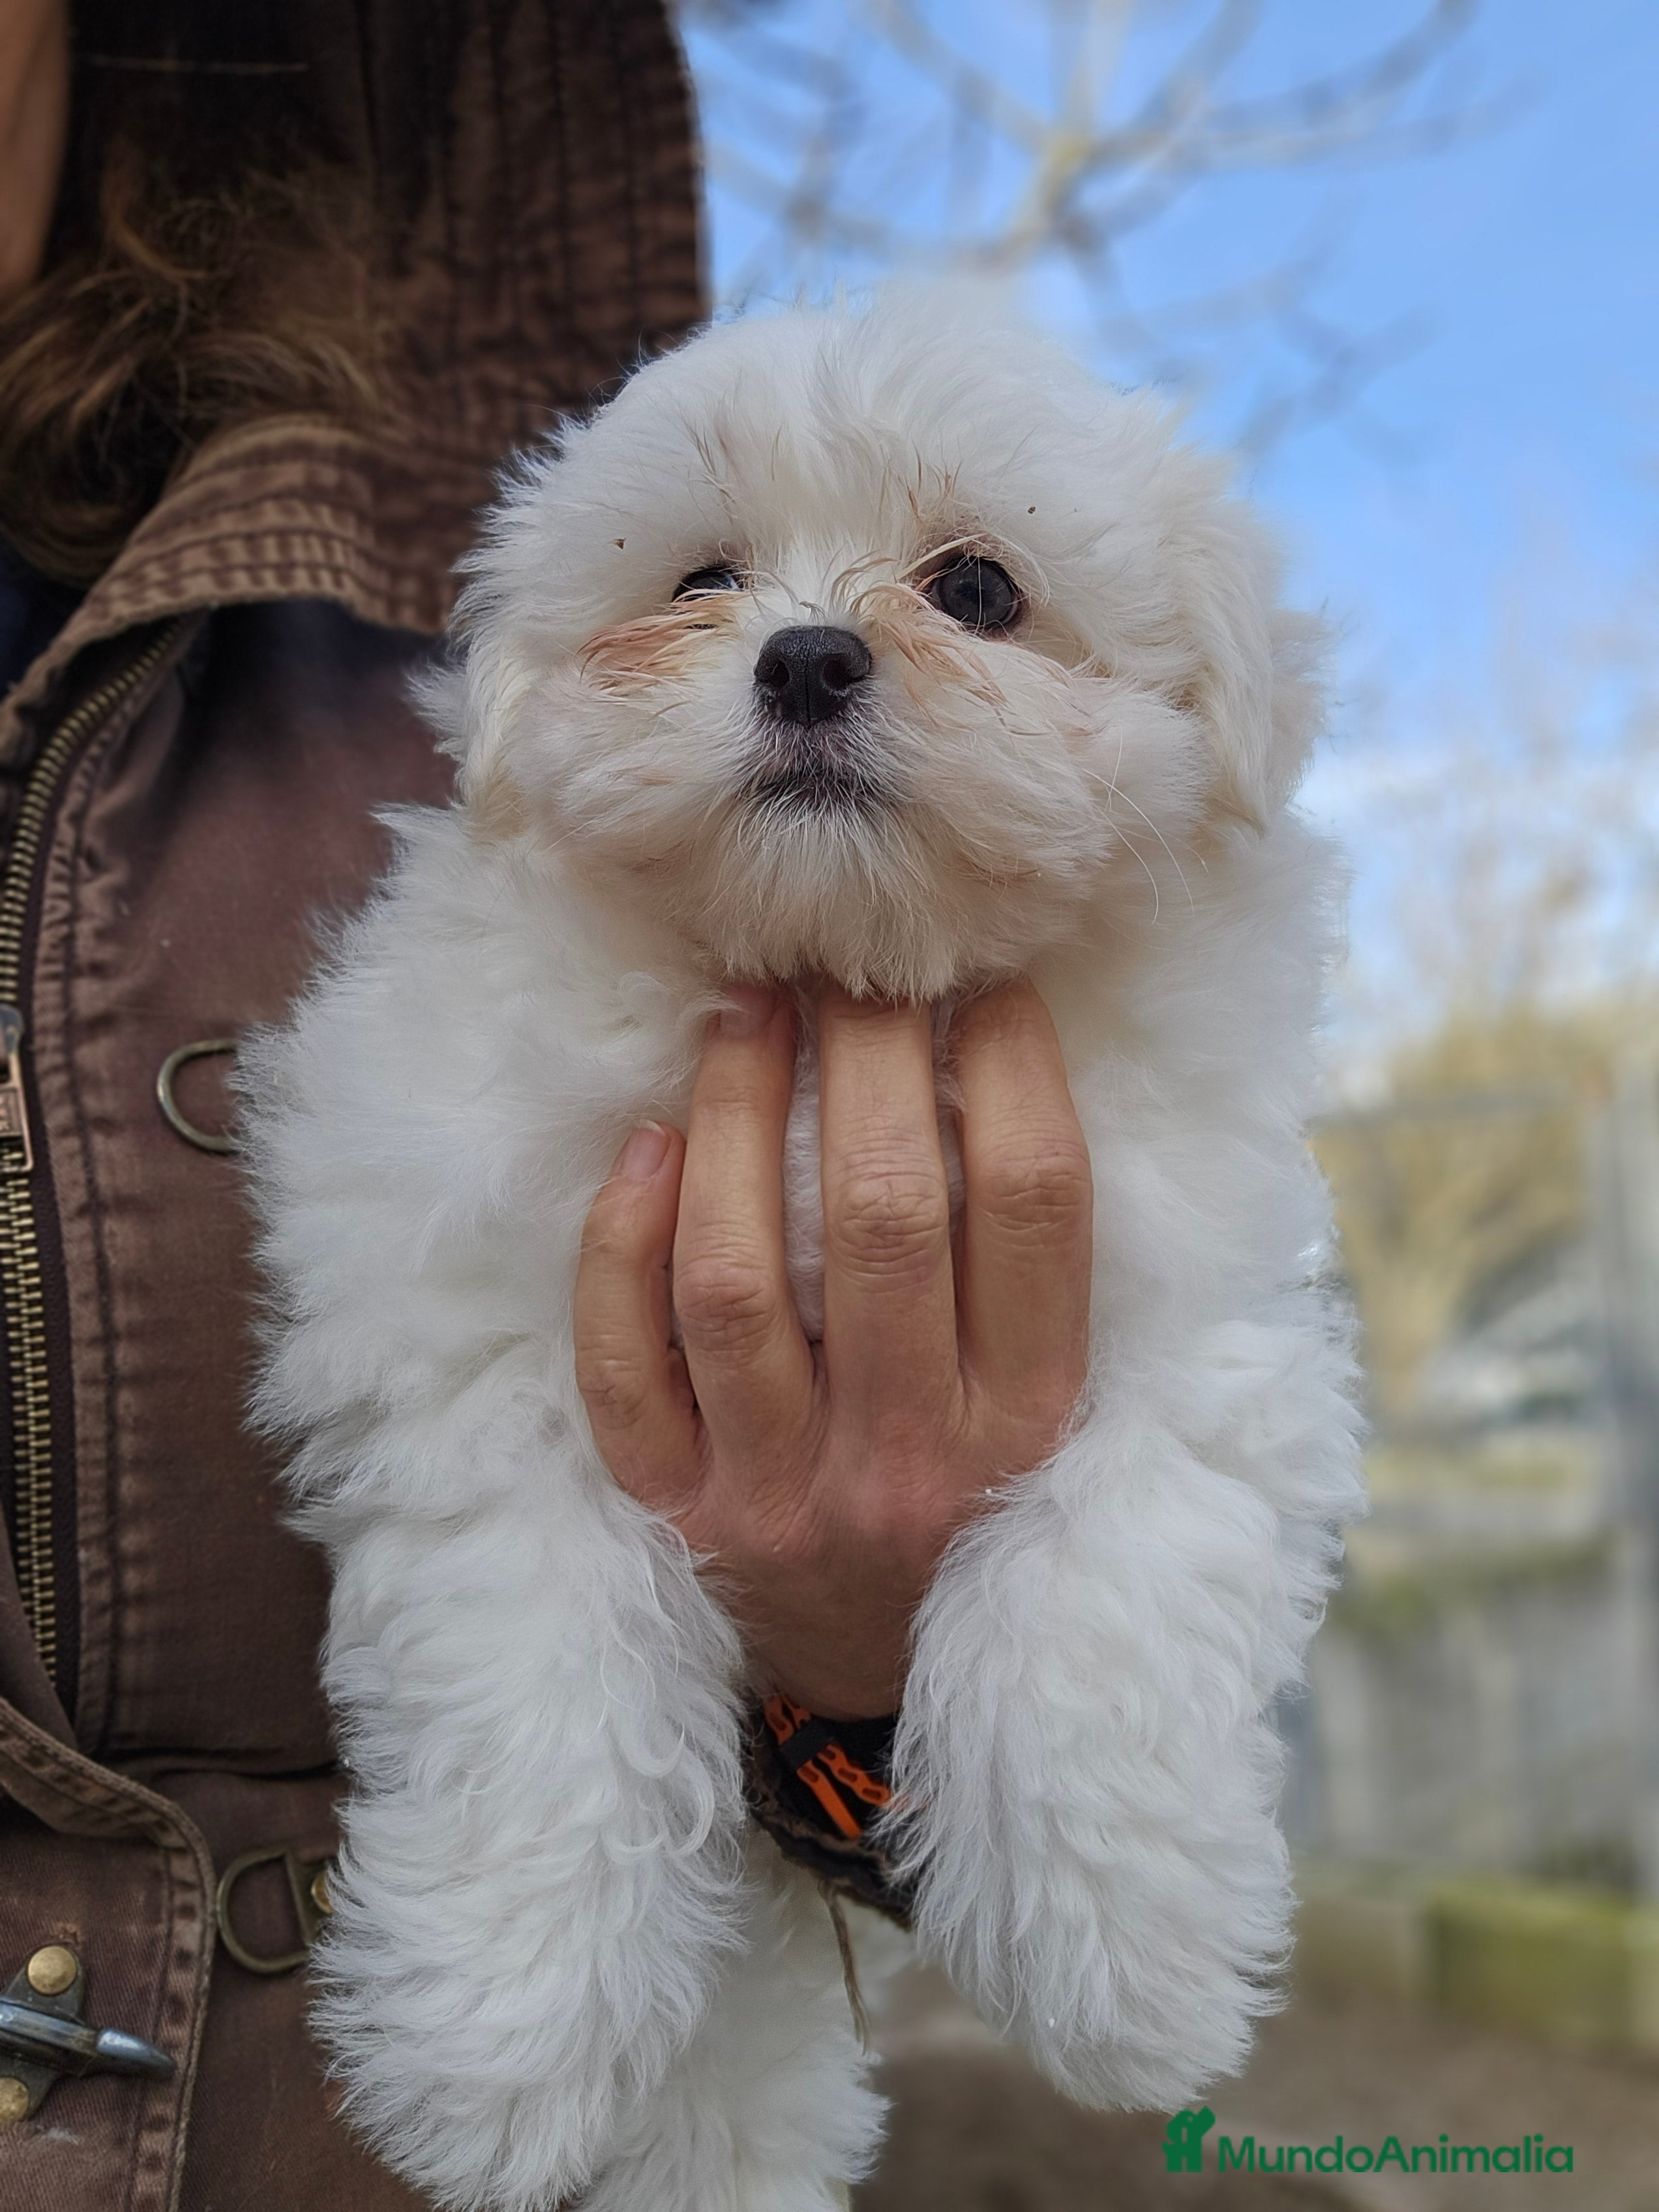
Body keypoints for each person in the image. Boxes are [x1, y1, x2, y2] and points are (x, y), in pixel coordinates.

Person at [0, 4, 1092, 2204]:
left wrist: (864, 1703)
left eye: (958, 592)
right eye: (709, 588)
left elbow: (944, 1869)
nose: (797, 637)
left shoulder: (463, 506)